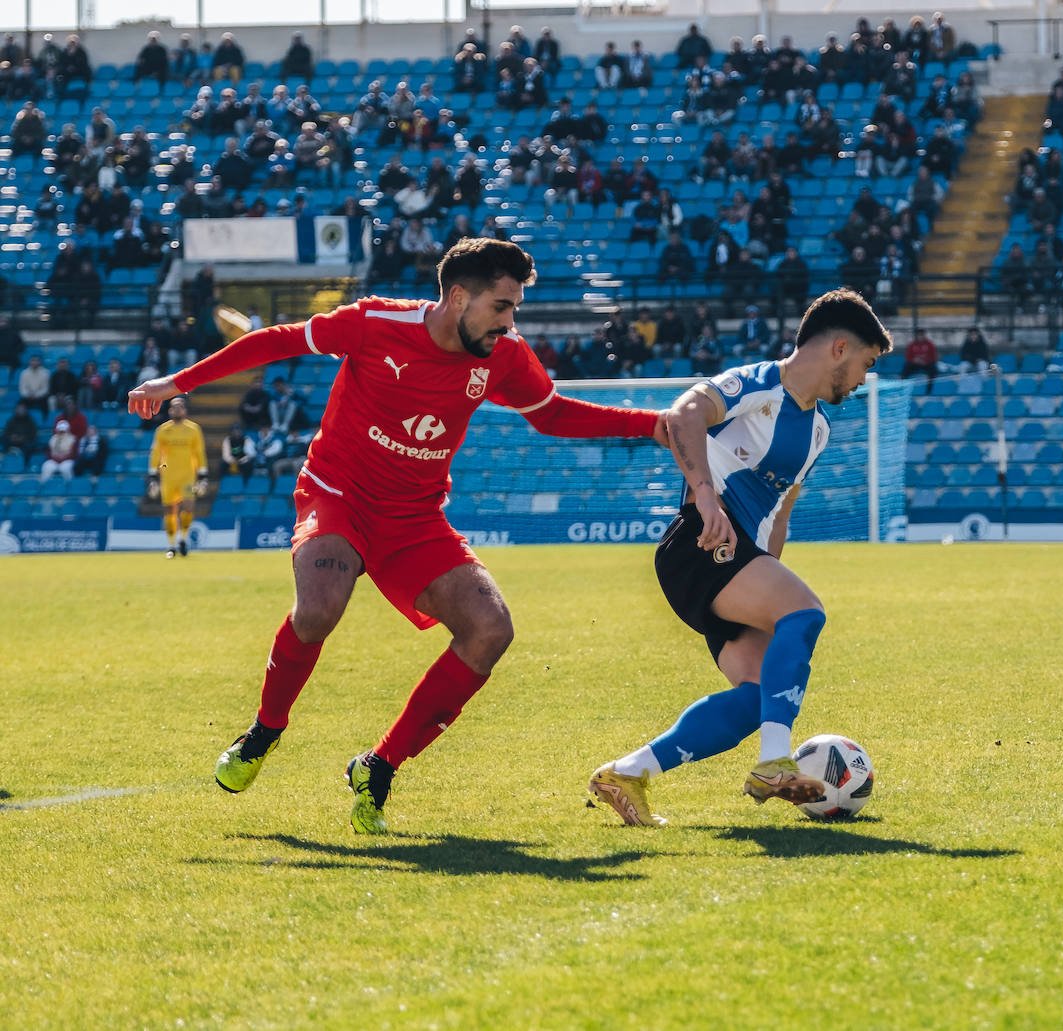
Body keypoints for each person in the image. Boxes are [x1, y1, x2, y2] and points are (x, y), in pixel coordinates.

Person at [126, 238, 668, 835]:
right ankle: (265, 730)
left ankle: (378, 766)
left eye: (515, 308)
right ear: (457, 297)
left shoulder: (504, 355)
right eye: (500, 306)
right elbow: (279, 340)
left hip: (414, 517)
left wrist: (655, 424)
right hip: (339, 495)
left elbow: (552, 413)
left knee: (491, 629)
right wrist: (176, 382)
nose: (510, 322)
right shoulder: (375, 323)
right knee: (319, 610)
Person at [587, 290, 893, 827]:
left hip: (738, 560)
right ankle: (775, 763)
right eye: (866, 364)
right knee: (807, 612)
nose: (864, 379)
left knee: (758, 697)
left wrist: (768, 582)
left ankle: (628, 772)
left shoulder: (818, 429)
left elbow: (778, 515)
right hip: (700, 545)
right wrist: (704, 496)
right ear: (840, 348)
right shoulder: (759, 383)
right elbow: (684, 414)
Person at [148, 395, 208, 558]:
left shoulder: (193, 429)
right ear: (170, 410)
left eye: (180, 406)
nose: (177, 409)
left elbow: (199, 452)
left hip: (188, 475)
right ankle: (171, 544)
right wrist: (153, 474)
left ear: (185, 410)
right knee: (170, 510)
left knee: (188, 507)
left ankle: (183, 538)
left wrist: (203, 474)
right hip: (168, 476)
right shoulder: (163, 430)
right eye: (174, 407)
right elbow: (156, 453)